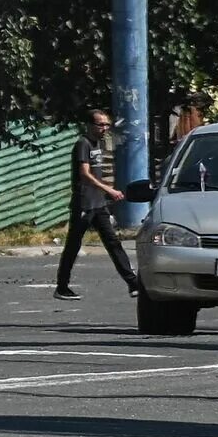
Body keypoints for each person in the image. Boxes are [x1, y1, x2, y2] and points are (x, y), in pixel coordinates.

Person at [54, 109, 139, 301]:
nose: (104, 128)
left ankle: (133, 283)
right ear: (90, 125)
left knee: (113, 243)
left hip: (98, 203)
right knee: (73, 246)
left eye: (106, 124)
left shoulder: (98, 143)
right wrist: (108, 189)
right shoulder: (83, 144)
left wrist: (103, 193)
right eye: (100, 124)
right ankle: (62, 286)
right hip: (84, 203)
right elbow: (84, 174)